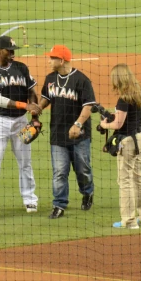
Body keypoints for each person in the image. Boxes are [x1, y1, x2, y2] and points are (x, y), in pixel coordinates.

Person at [0, 36, 41, 217]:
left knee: (25, 163)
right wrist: (24, 105)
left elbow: (32, 92)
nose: (12, 53)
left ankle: (30, 200)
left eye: (13, 50)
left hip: (21, 122)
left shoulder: (21, 68)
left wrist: (34, 117)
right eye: (8, 50)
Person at [38, 45, 97, 219]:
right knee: (59, 172)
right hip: (57, 134)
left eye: (52, 58)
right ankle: (59, 205)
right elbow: (46, 98)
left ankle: (87, 192)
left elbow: (88, 105)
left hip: (80, 136)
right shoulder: (50, 79)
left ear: (62, 60)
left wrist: (77, 124)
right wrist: (37, 109)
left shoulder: (81, 80)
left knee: (83, 170)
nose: (49, 61)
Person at [99, 63, 141, 229]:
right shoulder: (140, 93)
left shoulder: (123, 98)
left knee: (125, 181)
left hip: (130, 142)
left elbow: (118, 124)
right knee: (137, 177)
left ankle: (129, 221)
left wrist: (104, 125)